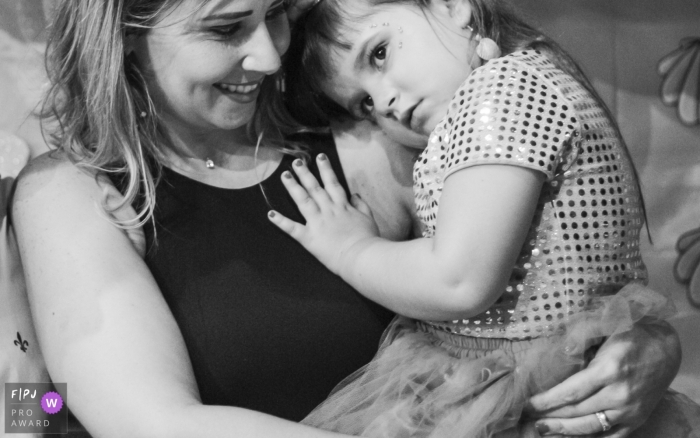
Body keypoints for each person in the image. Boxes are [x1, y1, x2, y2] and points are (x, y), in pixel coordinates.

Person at [7, 0, 686, 437]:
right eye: (225, 27)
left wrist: (645, 351)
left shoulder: (363, 138)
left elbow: (540, 282)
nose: (270, 55)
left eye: (274, 14)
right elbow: (147, 422)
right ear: (124, 34)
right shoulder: (71, 192)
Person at [269, 0, 700, 436]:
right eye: (364, 103)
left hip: (534, 383)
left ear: (451, 5)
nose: (384, 101)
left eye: (379, 53)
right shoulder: (512, 84)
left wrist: (350, 248)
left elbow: (458, 280)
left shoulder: (503, 88)